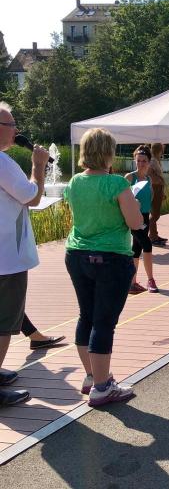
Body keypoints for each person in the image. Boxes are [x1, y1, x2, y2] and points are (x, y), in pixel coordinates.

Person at [64, 127, 144, 407]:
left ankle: (92, 376)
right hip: (110, 256)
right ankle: (102, 387)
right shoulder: (116, 184)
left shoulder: (74, 181)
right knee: (104, 322)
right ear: (108, 153)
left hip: (77, 254)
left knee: (86, 316)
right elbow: (135, 223)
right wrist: (135, 208)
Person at [0, 101, 48, 407]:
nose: (17, 130)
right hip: (6, 258)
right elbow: (32, 197)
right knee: (4, 322)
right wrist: (38, 166)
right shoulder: (3, 163)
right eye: (12, 124)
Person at [124, 145, 159, 293]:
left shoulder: (149, 179)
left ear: (149, 162)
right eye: (138, 160)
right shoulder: (130, 177)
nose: (140, 164)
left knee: (136, 248)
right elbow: (121, 198)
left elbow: (149, 198)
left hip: (144, 217)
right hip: (133, 217)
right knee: (147, 244)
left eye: (144, 161)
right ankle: (151, 280)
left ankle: (132, 283)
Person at [148, 142, 167, 245]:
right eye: (162, 149)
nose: (163, 150)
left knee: (156, 213)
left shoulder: (156, 160)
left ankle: (154, 235)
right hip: (155, 188)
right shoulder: (152, 161)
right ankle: (152, 237)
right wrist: (158, 181)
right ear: (159, 150)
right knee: (155, 214)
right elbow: (149, 175)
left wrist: (162, 191)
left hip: (158, 188)